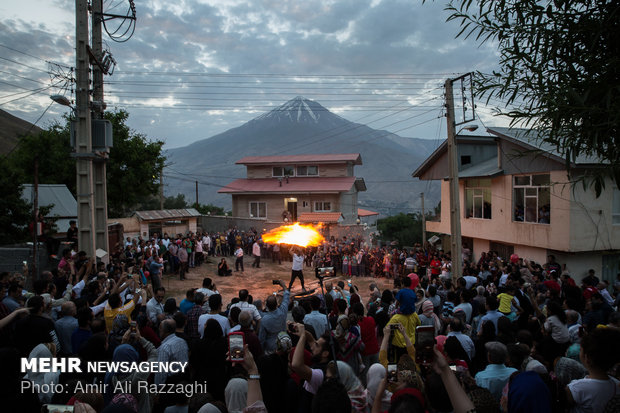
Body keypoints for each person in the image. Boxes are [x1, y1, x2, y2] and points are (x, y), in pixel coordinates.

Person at [258, 280, 290, 354]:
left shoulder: (264, 319)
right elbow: (286, 298)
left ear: (267, 307)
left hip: (271, 348)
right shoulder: (283, 311)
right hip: (283, 343)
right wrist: (284, 286)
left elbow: (262, 338)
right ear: (276, 305)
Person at [155, 319, 189, 385]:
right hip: (184, 379)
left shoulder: (165, 348)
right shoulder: (182, 341)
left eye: (160, 328)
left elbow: (161, 372)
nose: (159, 330)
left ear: (163, 330)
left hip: (172, 384)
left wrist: (158, 388)